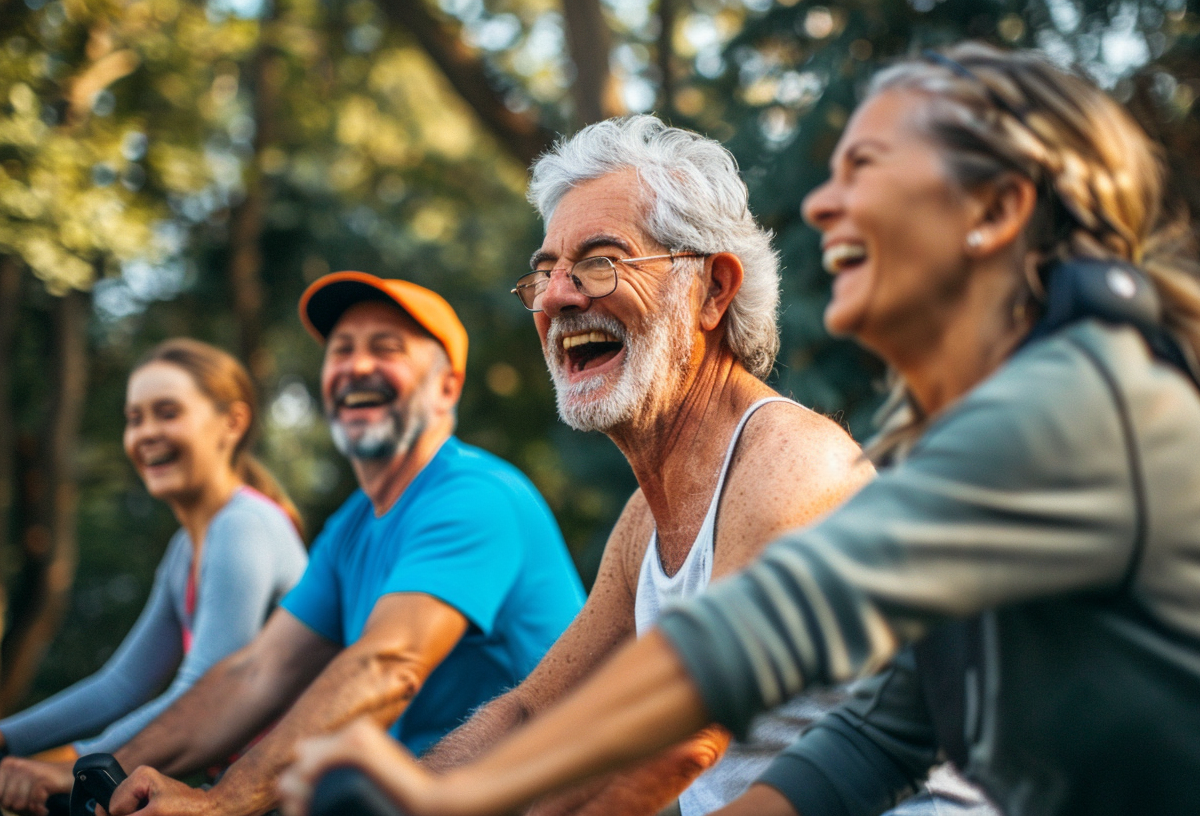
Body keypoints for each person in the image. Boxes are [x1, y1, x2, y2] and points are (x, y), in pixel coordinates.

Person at [276, 43, 1200, 816]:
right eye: (544, 269)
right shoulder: (978, 442)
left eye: (863, 166)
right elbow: (876, 740)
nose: (823, 203)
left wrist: (452, 800)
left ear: (994, 210)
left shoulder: (1077, 410)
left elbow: (741, 653)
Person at [414, 116, 988, 816]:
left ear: (713, 290)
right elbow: (533, 715)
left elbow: (684, 743)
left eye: (600, 262)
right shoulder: (642, 525)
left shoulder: (789, 465)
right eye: (545, 272)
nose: (560, 297)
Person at [103, 273, 585, 816]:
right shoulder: (350, 527)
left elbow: (387, 666)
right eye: (341, 351)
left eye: (386, 349)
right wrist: (103, 769)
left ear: (447, 387)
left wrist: (221, 803)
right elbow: (256, 672)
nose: (356, 367)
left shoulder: (477, 497)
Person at [0, 339, 307, 816]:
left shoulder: (244, 527)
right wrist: (0, 738)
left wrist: (71, 765)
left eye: (167, 412)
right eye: (134, 419)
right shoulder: (187, 548)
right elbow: (122, 682)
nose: (146, 433)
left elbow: (204, 692)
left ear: (232, 423)